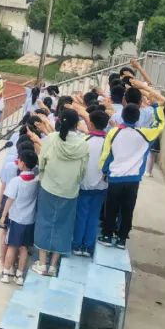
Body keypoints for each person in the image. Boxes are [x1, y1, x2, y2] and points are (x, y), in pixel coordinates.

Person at [99, 102, 165, 249]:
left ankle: (107, 235)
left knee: (111, 208)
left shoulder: (114, 132)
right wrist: (156, 108)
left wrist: (104, 171)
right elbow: (160, 125)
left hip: (115, 177)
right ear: (137, 119)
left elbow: (106, 154)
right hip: (133, 180)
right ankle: (122, 238)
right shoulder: (144, 134)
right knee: (127, 209)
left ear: (122, 116)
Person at [33, 109, 88, 275]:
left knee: (44, 222)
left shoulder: (51, 139)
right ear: (76, 124)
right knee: (64, 226)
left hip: (49, 186)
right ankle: (53, 265)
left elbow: (41, 161)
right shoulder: (83, 144)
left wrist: (43, 175)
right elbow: (82, 170)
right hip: (70, 190)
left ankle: (42, 263)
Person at [72, 109, 111, 256]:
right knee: (94, 216)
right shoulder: (108, 143)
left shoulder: (84, 141)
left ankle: (77, 245)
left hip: (83, 184)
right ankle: (88, 247)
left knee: (81, 215)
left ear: (91, 124)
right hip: (101, 185)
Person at [0, 148, 40, 285]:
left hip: (16, 219)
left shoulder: (16, 181)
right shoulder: (36, 180)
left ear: (22, 163)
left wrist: (3, 216)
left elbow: (9, 199)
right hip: (30, 219)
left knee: (12, 246)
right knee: (24, 248)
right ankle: (20, 275)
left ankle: (6, 272)